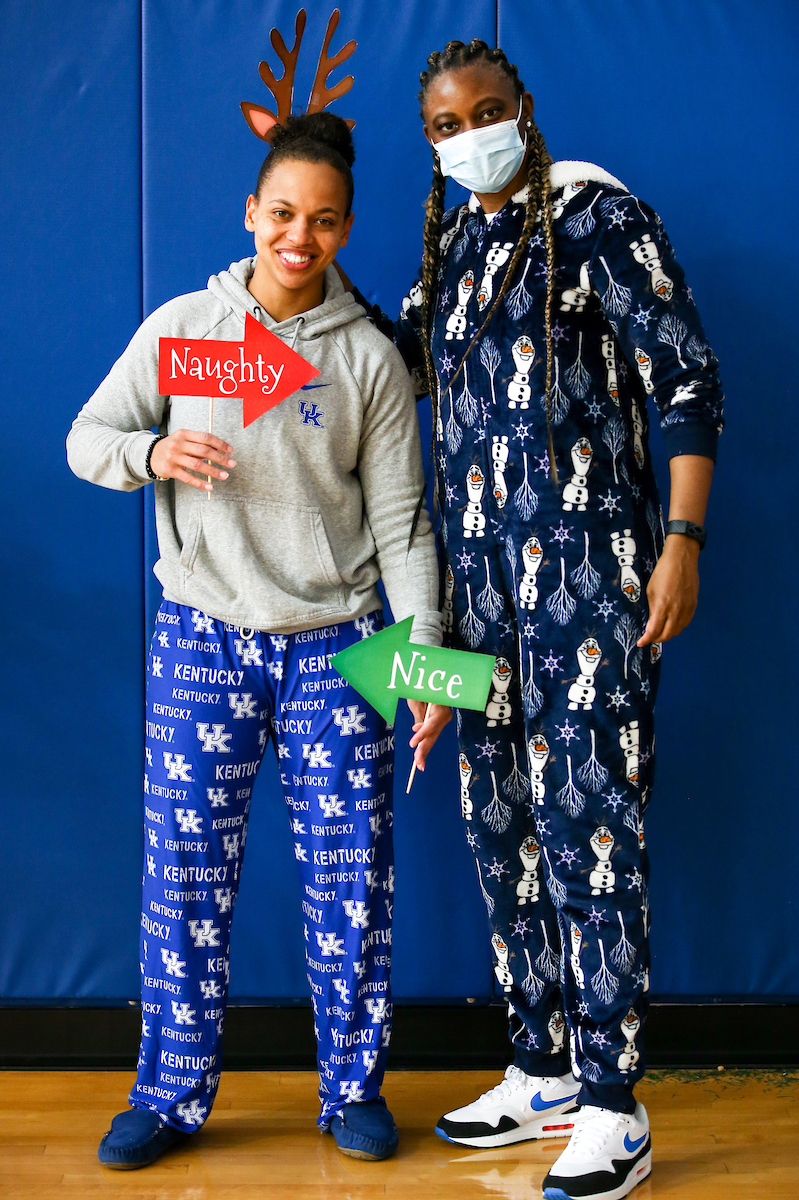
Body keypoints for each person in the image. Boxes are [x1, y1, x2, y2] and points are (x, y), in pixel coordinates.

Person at [348, 39, 723, 1200]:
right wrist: (298, 271)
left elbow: (685, 381)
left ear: (522, 110)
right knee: (499, 829)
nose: (468, 135)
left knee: (587, 836)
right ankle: (542, 1067)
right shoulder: (449, 248)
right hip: (476, 608)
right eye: (444, 125)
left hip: (592, 587)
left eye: (485, 113)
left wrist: (680, 541)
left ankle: (615, 1104)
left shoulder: (602, 221)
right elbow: (392, 362)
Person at [67, 111, 448, 1169]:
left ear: (343, 229)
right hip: (204, 636)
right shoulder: (186, 327)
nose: (299, 236)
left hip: (341, 646)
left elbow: (403, 527)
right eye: (282, 213)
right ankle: (169, 1094)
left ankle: (353, 1089)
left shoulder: (368, 360)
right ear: (251, 213)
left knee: (351, 876)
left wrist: (425, 668)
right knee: (182, 874)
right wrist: (152, 452)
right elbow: (84, 441)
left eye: (322, 221)